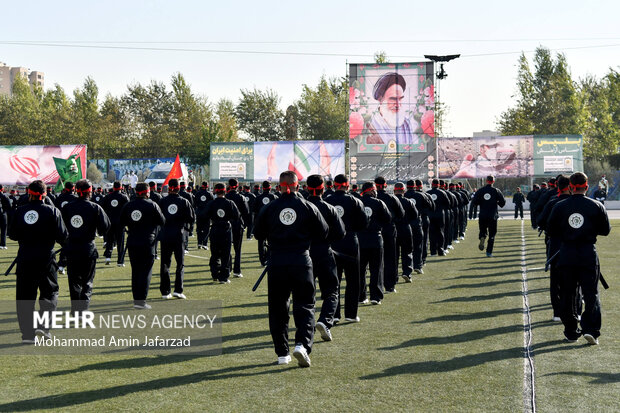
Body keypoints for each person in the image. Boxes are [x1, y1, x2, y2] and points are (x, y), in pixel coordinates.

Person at [253, 170, 329, 367]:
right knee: (305, 305)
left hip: (277, 262)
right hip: (301, 260)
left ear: (279, 186)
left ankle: (282, 353)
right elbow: (324, 232)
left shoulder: (270, 208)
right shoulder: (308, 206)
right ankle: (302, 345)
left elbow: (258, 233)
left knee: (278, 308)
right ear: (298, 185)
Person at [547, 172, 611, 345]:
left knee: (568, 293)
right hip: (587, 253)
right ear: (587, 186)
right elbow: (605, 230)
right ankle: (591, 330)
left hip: (567, 253)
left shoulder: (560, 206)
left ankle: (571, 330)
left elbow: (551, 231)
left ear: (569, 187)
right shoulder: (596, 205)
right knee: (591, 293)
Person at [9, 180, 68, 343]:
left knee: (24, 297)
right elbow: (63, 237)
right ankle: (43, 326)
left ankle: (27, 334)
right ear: (45, 194)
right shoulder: (53, 211)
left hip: (25, 258)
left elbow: (12, 235)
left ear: (29, 193)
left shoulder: (19, 211)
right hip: (46, 259)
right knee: (50, 293)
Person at [306, 174, 346, 340]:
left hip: (304, 253)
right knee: (331, 290)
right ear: (323, 189)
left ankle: (307, 326)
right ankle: (325, 319)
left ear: (307, 188)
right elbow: (341, 233)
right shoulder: (329, 208)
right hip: (324, 252)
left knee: (306, 293)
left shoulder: (302, 207)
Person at [61, 179, 110, 312]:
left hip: (71, 248)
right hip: (88, 249)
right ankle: (83, 310)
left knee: (74, 282)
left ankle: (76, 310)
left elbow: (61, 230)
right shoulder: (95, 207)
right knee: (87, 282)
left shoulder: (67, 208)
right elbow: (104, 228)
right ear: (90, 192)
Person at [324, 174, 368, 320]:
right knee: (353, 280)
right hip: (350, 242)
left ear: (334, 185)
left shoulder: (327, 201)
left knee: (333, 280)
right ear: (347, 185)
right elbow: (363, 224)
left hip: (332, 243)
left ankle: (335, 314)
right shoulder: (355, 201)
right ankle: (351, 314)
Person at [120, 182, 165, 309]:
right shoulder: (152, 205)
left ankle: (136, 300)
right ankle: (141, 302)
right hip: (147, 242)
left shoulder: (128, 205)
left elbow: (121, 222)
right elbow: (162, 221)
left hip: (133, 241)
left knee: (136, 271)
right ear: (147, 192)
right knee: (145, 272)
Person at [537, 175, 572, 322]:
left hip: (556, 245)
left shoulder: (553, 202)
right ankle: (573, 310)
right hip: (575, 247)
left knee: (556, 280)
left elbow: (541, 222)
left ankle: (557, 312)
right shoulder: (578, 203)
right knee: (574, 281)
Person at [158, 179, 195, 299]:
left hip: (165, 235)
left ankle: (165, 291)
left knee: (165, 263)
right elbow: (191, 218)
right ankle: (178, 290)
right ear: (178, 188)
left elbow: (157, 218)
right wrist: (187, 229)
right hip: (179, 235)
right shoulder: (184, 201)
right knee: (180, 264)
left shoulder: (162, 201)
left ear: (169, 189)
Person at [358, 182, 391, 305]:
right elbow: (388, 219)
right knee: (376, 269)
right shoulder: (379, 203)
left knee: (361, 270)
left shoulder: (358, 202)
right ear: (371, 190)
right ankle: (375, 297)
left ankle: (361, 296)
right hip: (375, 239)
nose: (376, 192)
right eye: (375, 189)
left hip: (361, 240)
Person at [365, 72, 417, 145]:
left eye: (400, 99)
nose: (398, 105)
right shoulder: (372, 124)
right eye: (393, 99)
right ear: (380, 99)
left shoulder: (406, 124)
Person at [202, 183, 239, 283]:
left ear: (215, 191)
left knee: (214, 254)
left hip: (215, 229)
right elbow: (237, 216)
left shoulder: (211, 203)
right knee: (225, 254)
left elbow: (204, 215)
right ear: (225, 191)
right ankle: (223, 277)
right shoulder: (229, 203)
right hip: (226, 230)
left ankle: (215, 274)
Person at [374, 177, 404, 293]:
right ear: (385, 185)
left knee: (375, 262)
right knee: (390, 258)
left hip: (374, 231)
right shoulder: (392, 198)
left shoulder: (370, 198)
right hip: (389, 231)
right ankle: (390, 285)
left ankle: (376, 287)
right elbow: (401, 214)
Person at [473, 175, 506, 257]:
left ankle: (482, 237)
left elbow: (474, 202)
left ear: (486, 181)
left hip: (483, 215)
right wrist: (496, 202)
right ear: (493, 181)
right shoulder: (496, 191)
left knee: (483, 231)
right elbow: (503, 203)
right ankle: (489, 252)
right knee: (492, 234)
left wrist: (481, 201)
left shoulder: (480, 191)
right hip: (492, 216)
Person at [225, 178, 250, 278]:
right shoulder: (241, 197)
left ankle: (228, 269)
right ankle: (237, 270)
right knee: (237, 249)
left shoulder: (225, 196)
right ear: (238, 185)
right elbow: (246, 212)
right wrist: (245, 225)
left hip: (227, 225)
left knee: (227, 248)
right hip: (238, 225)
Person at [393, 182, 417, 282]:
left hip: (394, 230)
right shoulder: (408, 202)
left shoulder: (391, 201)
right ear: (404, 190)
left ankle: (394, 276)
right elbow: (415, 215)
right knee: (407, 252)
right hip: (405, 228)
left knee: (394, 254)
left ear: (394, 191)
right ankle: (406, 272)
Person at [102, 181, 130, 267]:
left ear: (113, 187)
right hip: (120, 223)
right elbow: (128, 210)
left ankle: (108, 257)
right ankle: (120, 261)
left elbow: (103, 209)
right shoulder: (124, 197)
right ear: (121, 187)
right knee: (120, 242)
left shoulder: (107, 197)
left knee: (109, 240)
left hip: (110, 222)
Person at [253, 181, 278, 266]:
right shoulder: (274, 197)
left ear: (262, 188)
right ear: (270, 188)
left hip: (261, 223)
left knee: (260, 243)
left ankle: (262, 260)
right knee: (271, 242)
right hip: (271, 224)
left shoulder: (258, 198)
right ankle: (268, 258)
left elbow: (255, 211)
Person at [426, 179, 449, 256]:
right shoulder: (442, 193)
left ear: (432, 184)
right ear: (439, 185)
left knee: (432, 233)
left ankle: (433, 251)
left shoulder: (428, 193)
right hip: (440, 215)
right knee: (440, 232)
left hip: (431, 215)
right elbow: (448, 204)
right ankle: (441, 250)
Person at [194, 182, 214, 249]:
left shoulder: (197, 194)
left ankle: (199, 243)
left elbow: (195, 203)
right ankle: (205, 244)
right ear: (207, 186)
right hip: (207, 214)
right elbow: (212, 204)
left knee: (199, 229)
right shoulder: (209, 194)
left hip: (199, 213)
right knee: (206, 229)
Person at [0, 185, 11, 249]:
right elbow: (9, 206)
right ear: (2, 189)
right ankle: (3, 244)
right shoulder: (4, 196)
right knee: (3, 230)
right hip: (3, 214)